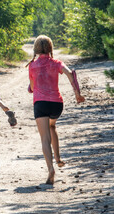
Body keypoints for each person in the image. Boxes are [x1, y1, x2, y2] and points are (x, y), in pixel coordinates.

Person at [26, 35, 85, 185]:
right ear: (51, 48)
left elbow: (32, 88)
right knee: (52, 125)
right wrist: (77, 94)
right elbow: (71, 74)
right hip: (56, 104)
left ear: (36, 49)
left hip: (40, 104)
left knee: (44, 139)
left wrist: (33, 86)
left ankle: (51, 169)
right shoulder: (57, 63)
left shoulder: (32, 66)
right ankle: (58, 158)